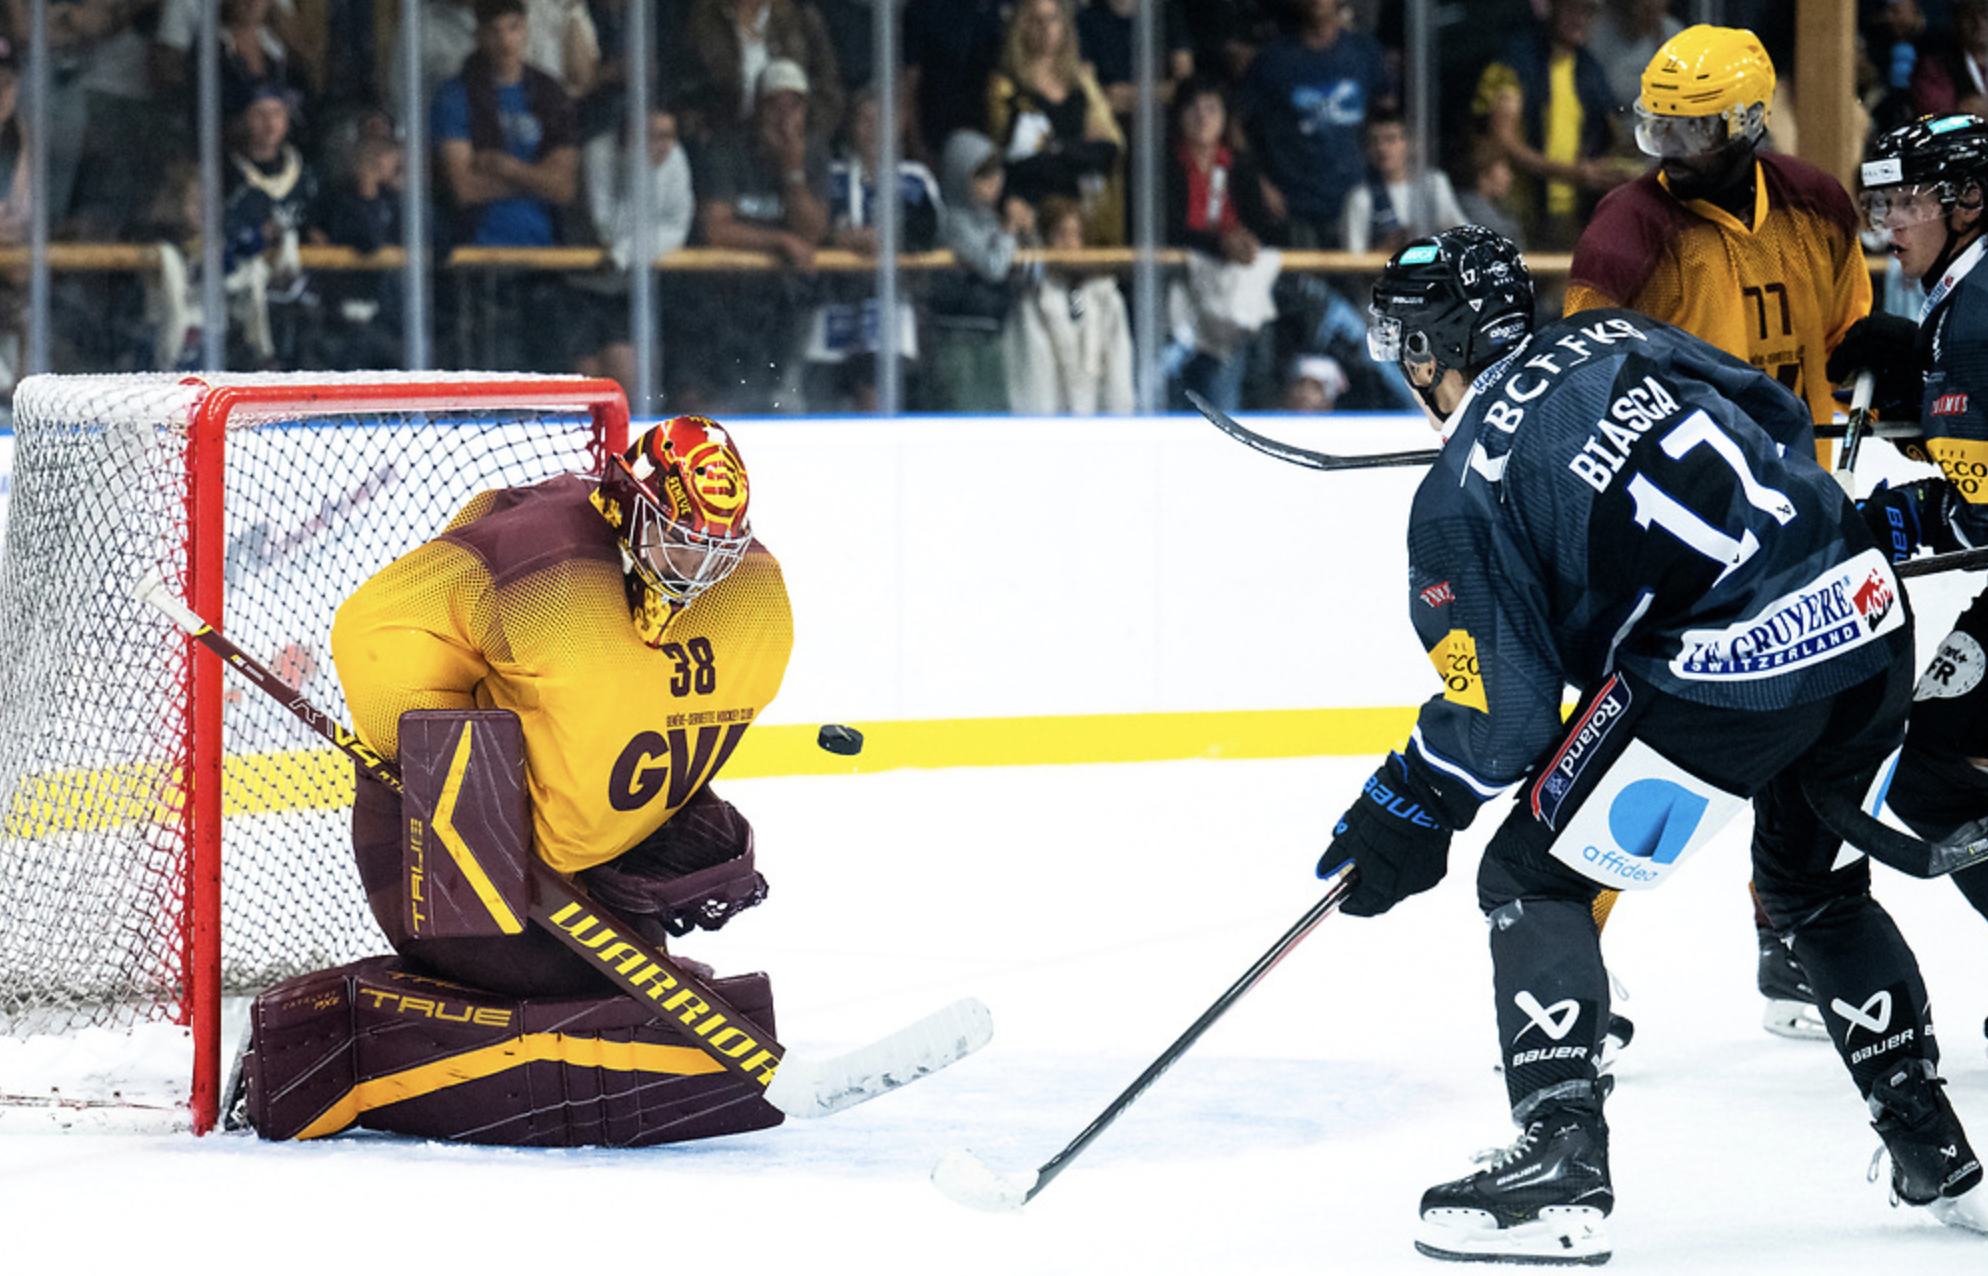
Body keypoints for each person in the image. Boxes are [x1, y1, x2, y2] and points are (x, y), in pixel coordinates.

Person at [1342, 225, 1987, 1263]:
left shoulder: (1457, 492)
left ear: (1433, 351)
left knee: (1530, 874)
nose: (1411, 372)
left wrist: (1409, 797)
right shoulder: (1614, 337)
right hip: (1862, 608)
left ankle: (1558, 1158)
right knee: (1810, 886)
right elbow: (1774, 414)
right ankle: (1935, 1152)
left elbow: (1504, 723)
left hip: (1730, 669)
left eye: (1410, 350)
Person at [321, 414, 791, 1144]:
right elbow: (369, 628)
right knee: (572, 983)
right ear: (633, 505)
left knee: (621, 961)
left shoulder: (752, 592)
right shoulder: (534, 559)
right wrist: (462, 788)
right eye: (680, 539)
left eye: (717, 548)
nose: (699, 569)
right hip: (448, 852)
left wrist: (635, 822)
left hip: (578, 866)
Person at [1565, 25, 1879, 1039]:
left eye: (1690, 127)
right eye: (1656, 121)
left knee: (1811, 741)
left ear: (1744, 124)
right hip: (1685, 537)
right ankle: (1572, 971)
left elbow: (1850, 334)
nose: (1666, 144)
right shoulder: (1625, 230)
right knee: (1629, 754)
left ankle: (1785, 938)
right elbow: (1583, 369)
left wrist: (1886, 387)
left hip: (1803, 521)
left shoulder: (1813, 204)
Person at [1824, 112, 1988, 940]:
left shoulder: (1972, 317)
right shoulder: (1965, 303)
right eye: (1878, 204)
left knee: (1929, 772)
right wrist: (1925, 399)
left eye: (1904, 203)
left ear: (1968, 200)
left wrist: (1911, 513)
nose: (1886, 225)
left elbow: (1986, 510)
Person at [431, 0, 581, 369]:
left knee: (550, 388)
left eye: (513, 27)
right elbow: (463, 187)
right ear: (479, 35)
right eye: (495, 30)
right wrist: (536, 179)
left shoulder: (548, 94)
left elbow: (564, 188)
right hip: (478, 264)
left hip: (543, 261)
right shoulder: (456, 95)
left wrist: (505, 168)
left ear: (526, 29)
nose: (505, 40)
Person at [693, 57, 832, 413]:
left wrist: (793, 171)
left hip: (783, 309)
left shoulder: (812, 152)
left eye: (794, 105)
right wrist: (779, 241)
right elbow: (715, 228)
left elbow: (813, 231)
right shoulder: (727, 148)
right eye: (774, 105)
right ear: (757, 108)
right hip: (728, 303)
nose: (784, 117)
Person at [800, 83, 943, 414]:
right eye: (864, 119)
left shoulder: (916, 179)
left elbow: (933, 233)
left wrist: (890, 240)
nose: (872, 130)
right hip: (832, 306)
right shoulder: (829, 175)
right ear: (850, 124)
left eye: (881, 120)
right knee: (828, 404)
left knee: (878, 397)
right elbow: (810, 228)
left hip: (893, 307)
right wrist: (839, 239)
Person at [1469, 0, 1637, 252]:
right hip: (1516, 208)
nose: (1581, 19)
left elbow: (1614, 132)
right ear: (1550, 8)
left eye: (1589, 11)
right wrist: (1569, 173)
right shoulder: (1517, 60)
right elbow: (1503, 138)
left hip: (1573, 213)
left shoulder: (1590, 70)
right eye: (1573, 8)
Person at [1231, 0, 1393, 250]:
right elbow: (1234, 125)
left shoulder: (1365, 53)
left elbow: (1388, 117)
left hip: (1356, 200)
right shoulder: (1273, 59)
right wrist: (1259, 183)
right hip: (1292, 207)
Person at [1163, 72, 1280, 415]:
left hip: (1229, 293)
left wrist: (1244, 242)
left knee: (1221, 394)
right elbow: (1165, 228)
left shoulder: (1239, 167)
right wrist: (1219, 243)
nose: (1203, 117)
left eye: (1212, 108)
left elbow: (1264, 229)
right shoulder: (1164, 165)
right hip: (1176, 289)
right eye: (1194, 108)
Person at [985, 0, 1125, 246]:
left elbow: (1110, 148)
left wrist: (1056, 147)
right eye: (1036, 20)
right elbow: (1020, 160)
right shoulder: (1005, 88)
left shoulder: (1081, 82)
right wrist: (1079, 151)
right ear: (1020, 27)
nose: (1046, 28)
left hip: (1084, 212)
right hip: (1031, 213)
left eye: (1053, 19)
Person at [924, 128, 1034, 413]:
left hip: (994, 335)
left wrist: (1028, 232)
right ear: (961, 176)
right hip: (957, 341)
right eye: (983, 174)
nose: (995, 181)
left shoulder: (992, 222)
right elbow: (993, 267)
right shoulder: (952, 223)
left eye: (997, 172)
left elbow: (1035, 272)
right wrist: (1010, 230)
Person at [1004, 193, 1133, 415]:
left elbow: (1118, 372)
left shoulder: (1105, 297)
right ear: (1045, 240)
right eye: (1061, 235)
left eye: (1076, 235)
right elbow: (1034, 374)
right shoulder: (1033, 301)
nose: (1070, 244)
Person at [1339, 105, 1468, 257]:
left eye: (1390, 139)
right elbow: (1353, 262)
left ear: (1410, 143)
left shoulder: (1433, 185)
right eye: (1375, 141)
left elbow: (1463, 236)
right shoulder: (1361, 198)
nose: (1382, 148)